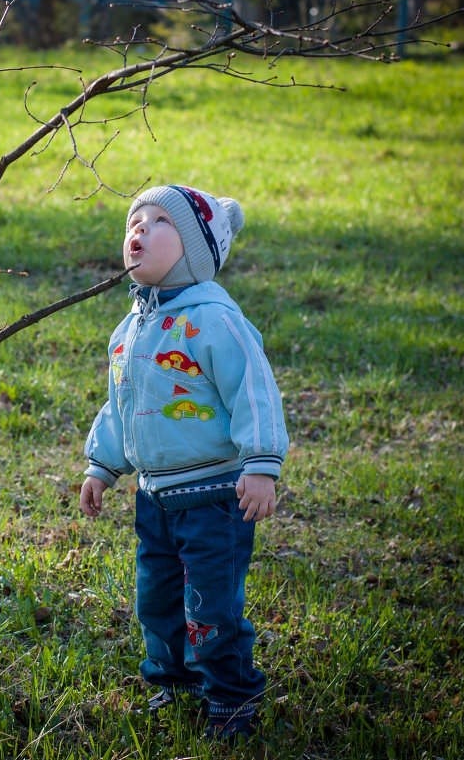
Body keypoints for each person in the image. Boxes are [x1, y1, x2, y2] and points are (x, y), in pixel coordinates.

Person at [79, 184, 289, 743]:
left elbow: (255, 389)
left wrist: (261, 465)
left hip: (215, 497)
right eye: (134, 222)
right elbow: (122, 402)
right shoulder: (128, 331)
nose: (138, 231)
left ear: (195, 250)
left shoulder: (216, 320)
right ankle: (172, 681)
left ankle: (230, 694)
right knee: (159, 599)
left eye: (157, 222)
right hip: (155, 498)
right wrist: (102, 465)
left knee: (211, 605)